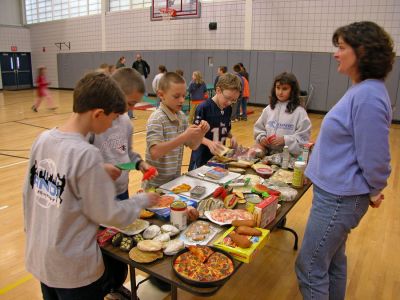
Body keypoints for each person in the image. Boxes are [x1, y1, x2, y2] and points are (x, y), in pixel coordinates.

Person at [23, 72, 160, 300]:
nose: (112, 124)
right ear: (98, 114)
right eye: (112, 117)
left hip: (42, 260)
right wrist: (142, 200)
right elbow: (110, 215)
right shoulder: (86, 154)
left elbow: (28, 198)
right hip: (74, 270)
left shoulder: (42, 139)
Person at [295, 21, 394, 300]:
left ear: (361, 51)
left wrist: (375, 189)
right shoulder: (362, 89)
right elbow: (353, 138)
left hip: (340, 199)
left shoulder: (368, 95)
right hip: (336, 195)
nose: (335, 54)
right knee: (333, 262)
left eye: (341, 48)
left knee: (310, 268)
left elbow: (375, 155)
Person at [89, 68, 157, 201]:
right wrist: (101, 169)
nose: (131, 109)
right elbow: (80, 164)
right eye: (130, 103)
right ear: (114, 93)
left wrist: (139, 163)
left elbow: (127, 153)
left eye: (135, 104)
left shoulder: (126, 122)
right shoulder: (94, 124)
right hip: (98, 196)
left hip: (122, 191)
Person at [144, 72, 209, 189]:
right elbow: (155, 152)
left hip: (174, 183)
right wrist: (184, 136)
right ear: (161, 95)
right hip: (155, 186)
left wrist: (201, 133)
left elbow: (193, 146)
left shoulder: (181, 116)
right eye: (176, 96)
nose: (181, 100)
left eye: (184, 96)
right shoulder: (156, 118)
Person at [189, 73, 241, 170]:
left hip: (219, 159)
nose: (230, 103)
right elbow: (194, 135)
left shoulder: (228, 108)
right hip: (202, 158)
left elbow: (225, 128)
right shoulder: (203, 107)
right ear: (218, 90)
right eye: (228, 98)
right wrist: (209, 143)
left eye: (233, 100)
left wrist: (232, 136)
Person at [253, 72, 311, 156]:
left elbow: (303, 139)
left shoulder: (300, 113)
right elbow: (259, 128)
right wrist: (262, 137)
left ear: (292, 90)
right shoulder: (268, 109)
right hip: (267, 156)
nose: (280, 92)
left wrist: (285, 140)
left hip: (289, 158)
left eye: (284, 89)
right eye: (278, 88)